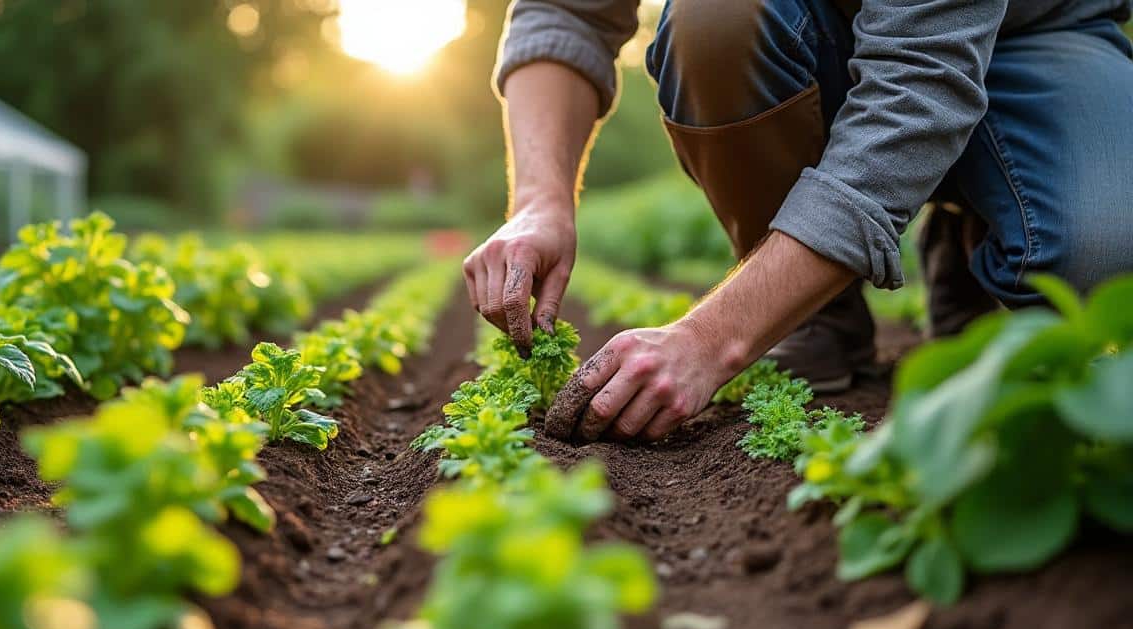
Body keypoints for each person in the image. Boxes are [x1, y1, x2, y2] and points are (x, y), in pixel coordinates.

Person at [465, 0, 1133, 443]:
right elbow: (566, 12)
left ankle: (972, 241)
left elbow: (920, 84)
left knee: (1098, 248)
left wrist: (709, 340)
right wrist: (539, 201)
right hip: (809, 22)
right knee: (716, 20)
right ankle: (813, 308)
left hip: (1035, 33)